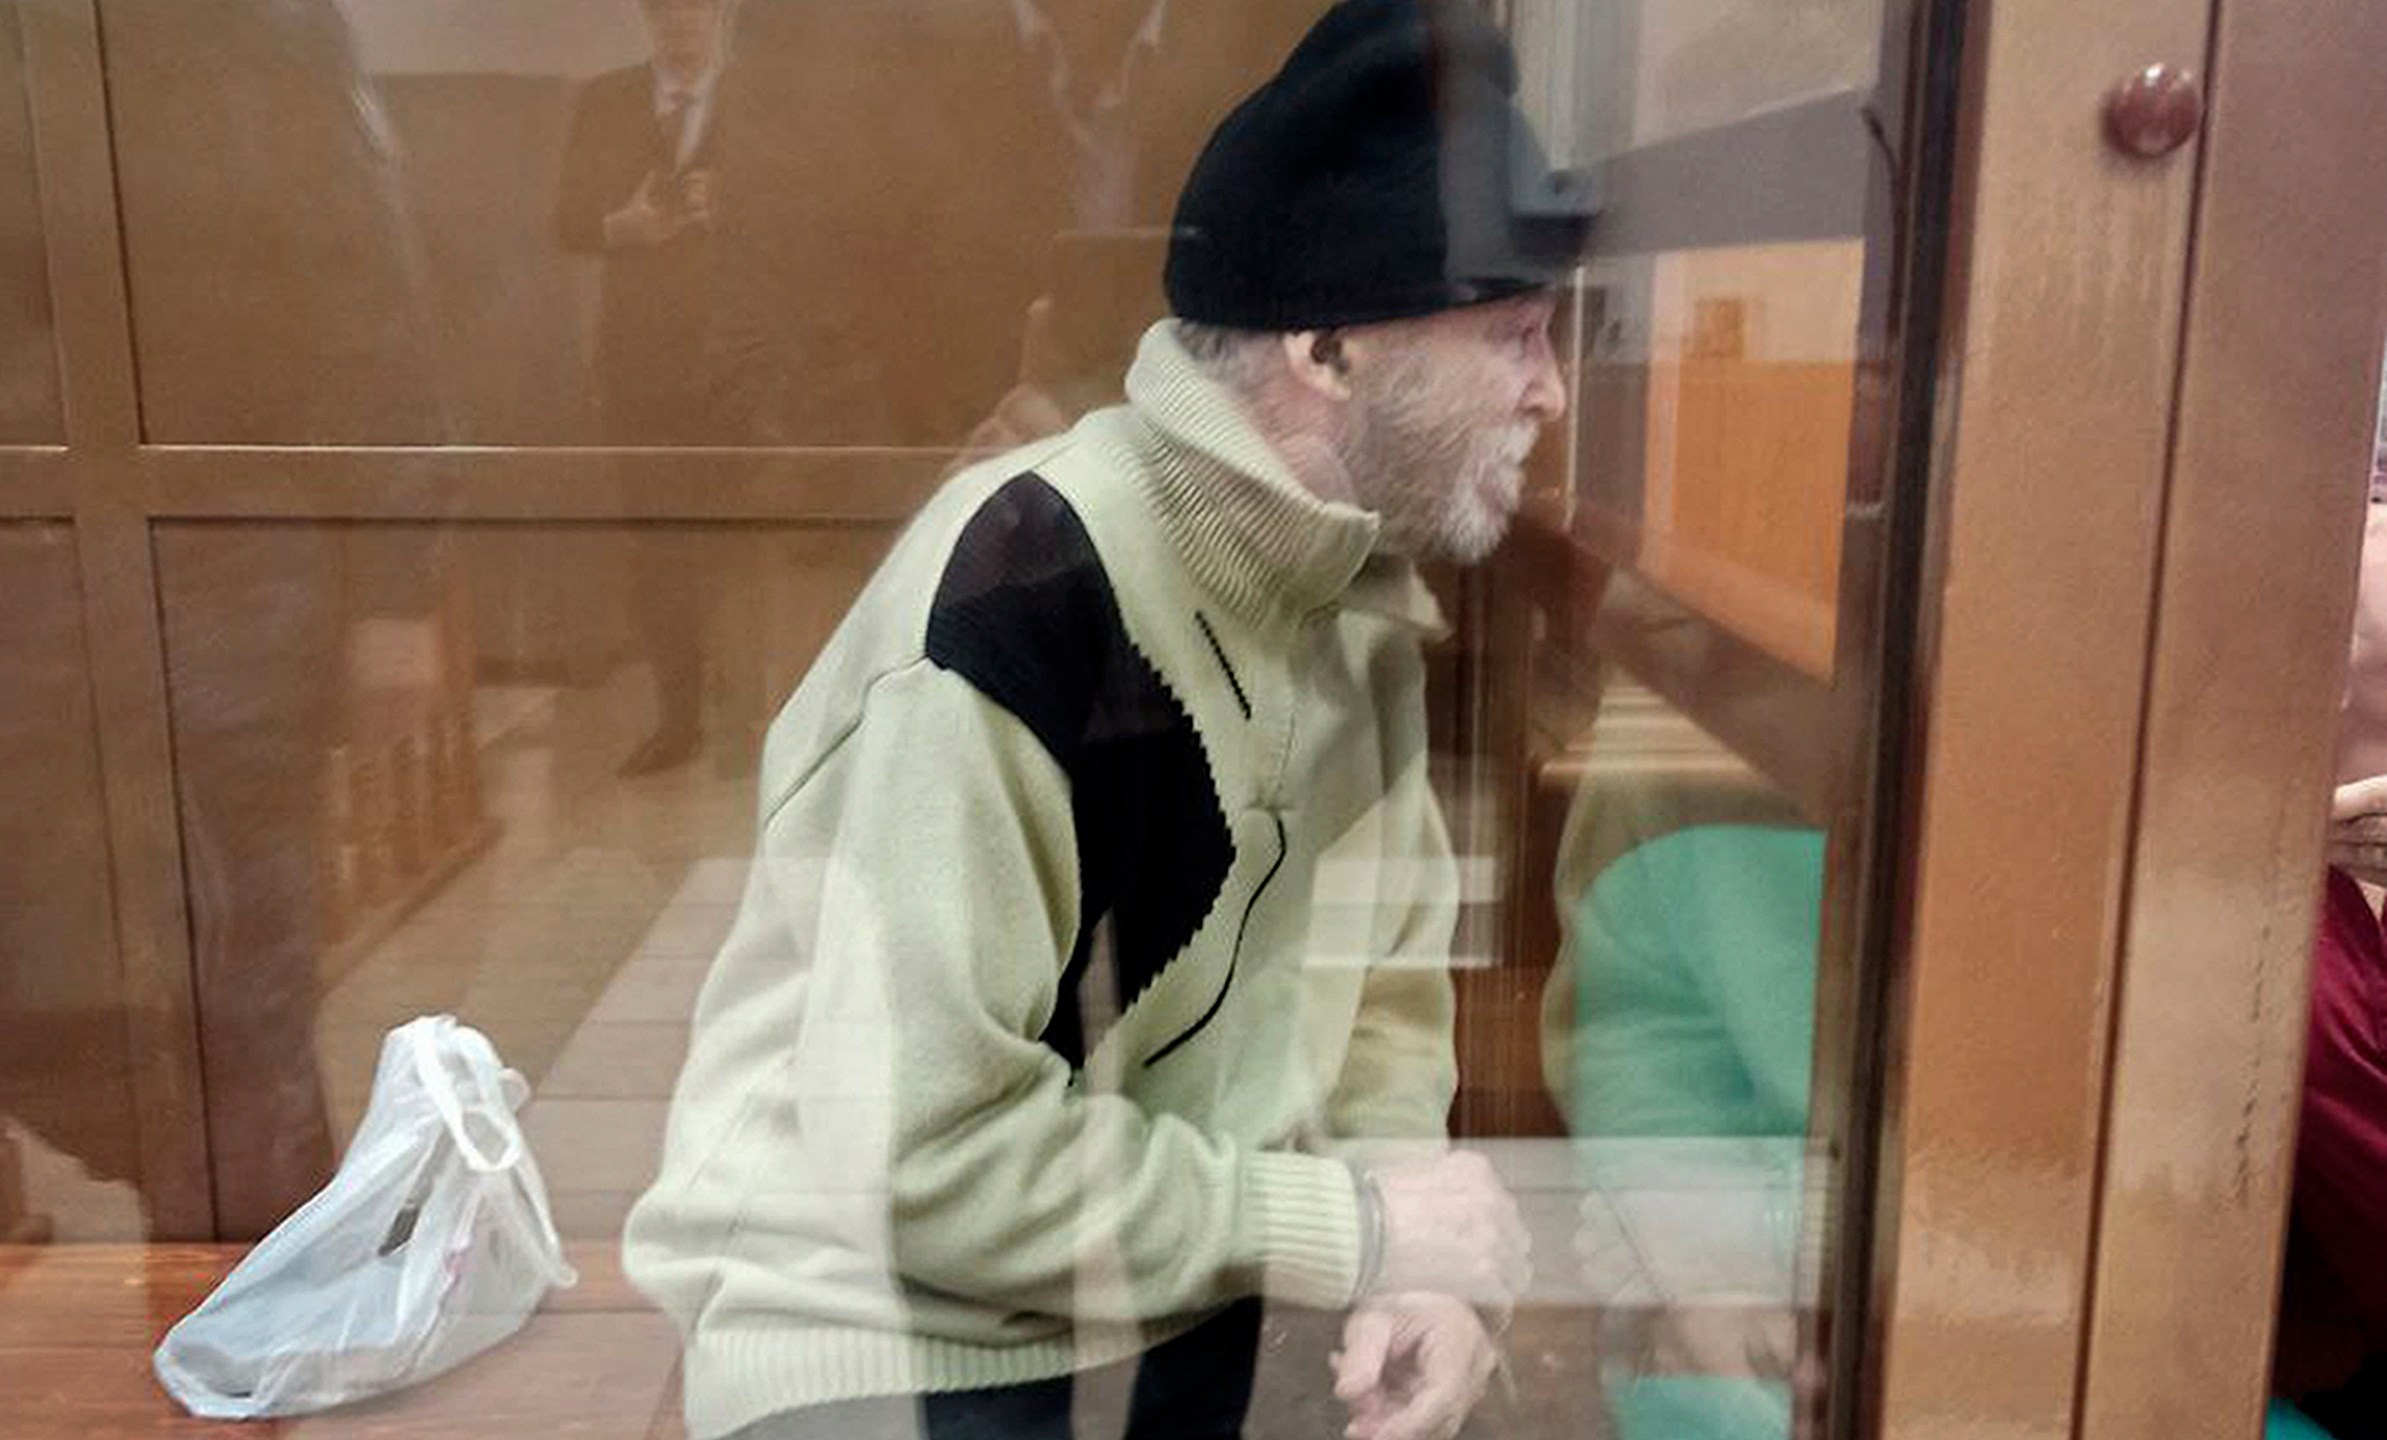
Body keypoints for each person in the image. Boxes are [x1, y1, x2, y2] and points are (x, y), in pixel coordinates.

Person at [623, 2, 1582, 1438]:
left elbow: (1381, 1002)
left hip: (1163, 1301)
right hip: (889, 1330)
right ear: (1327, 349)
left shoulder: (1355, 601)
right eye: (1512, 334)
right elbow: (922, 1159)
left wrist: (1413, 1259)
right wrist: (1350, 1229)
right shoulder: (1024, 598)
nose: (1549, 393)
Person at [555, 0, 729, 775]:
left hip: (742, 363)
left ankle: (765, 717)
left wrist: (736, 212)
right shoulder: (604, 100)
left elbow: (819, 219)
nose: (679, 24)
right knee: (660, 543)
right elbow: (562, 222)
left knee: (749, 544)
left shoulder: (761, 101)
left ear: (720, 12)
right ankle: (679, 719)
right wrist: (613, 230)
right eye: (664, 10)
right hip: (639, 363)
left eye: (693, 8)